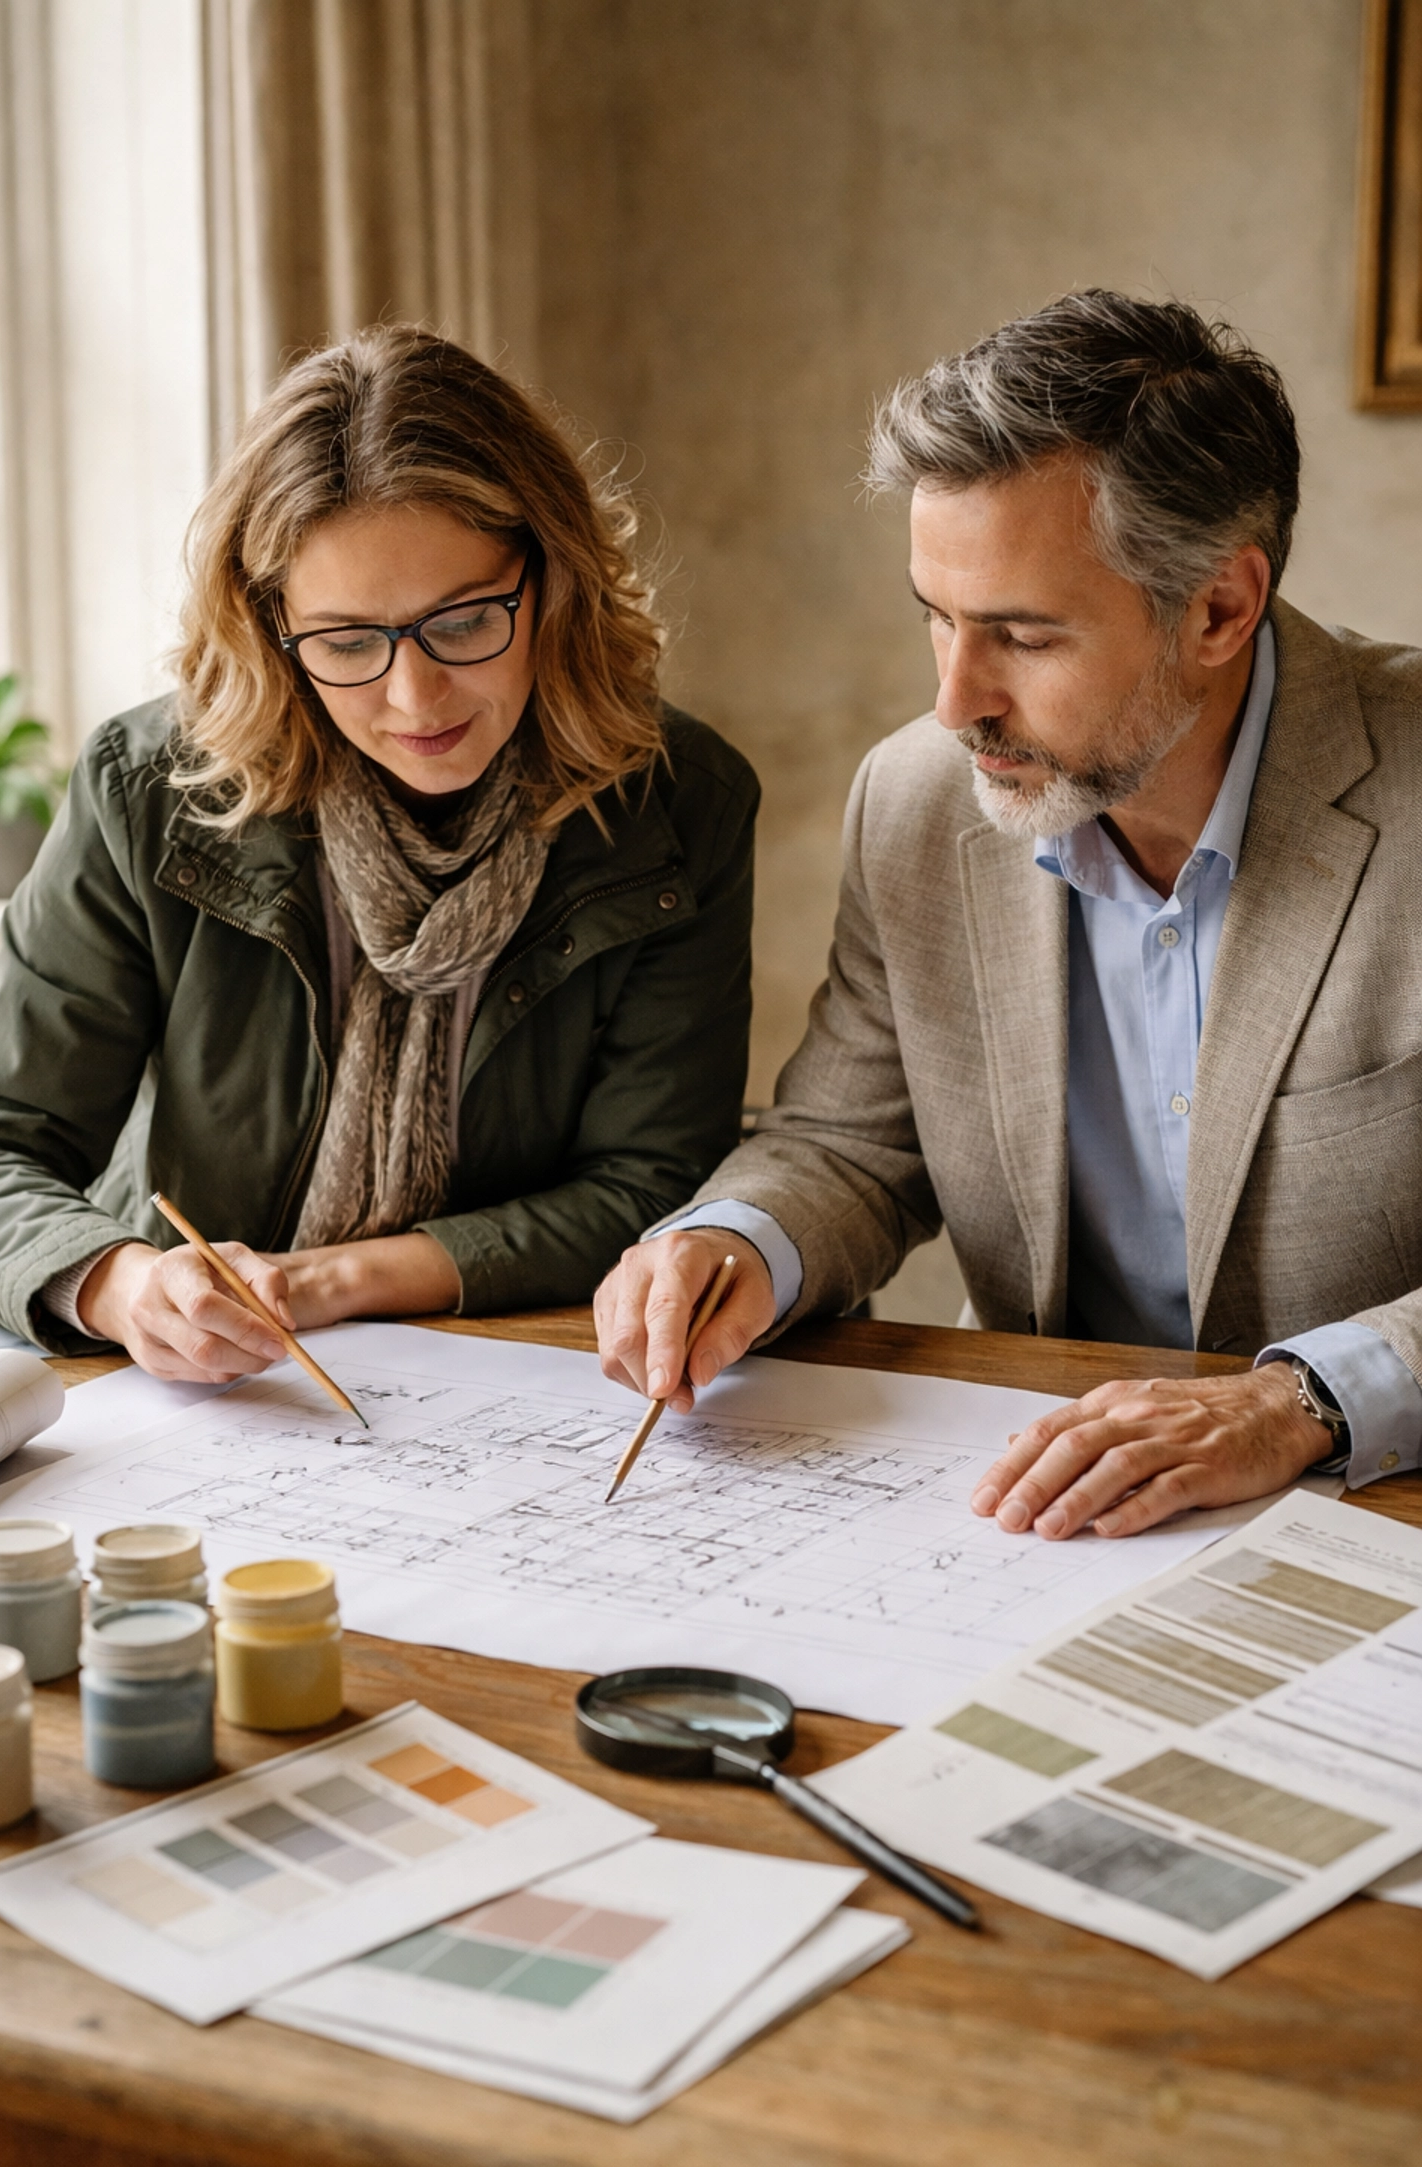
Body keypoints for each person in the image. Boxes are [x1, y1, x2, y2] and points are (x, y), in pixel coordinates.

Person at [596, 289, 1422, 1539]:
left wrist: (1306, 1399)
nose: (953, 702)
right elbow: (851, 1141)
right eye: (935, 616)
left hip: (1377, 1504)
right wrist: (737, 1241)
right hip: (1043, 1518)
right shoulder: (920, 803)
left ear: (1218, 609)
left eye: (1021, 637)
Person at [0, 327, 757, 1379]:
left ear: (553, 578)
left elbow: (650, 1186)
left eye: (463, 621)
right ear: (272, 628)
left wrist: (329, 1280)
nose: (414, 698)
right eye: (348, 642)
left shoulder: (678, 803)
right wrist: (124, 1284)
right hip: (199, 1392)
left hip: (523, 1377)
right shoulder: (152, 792)